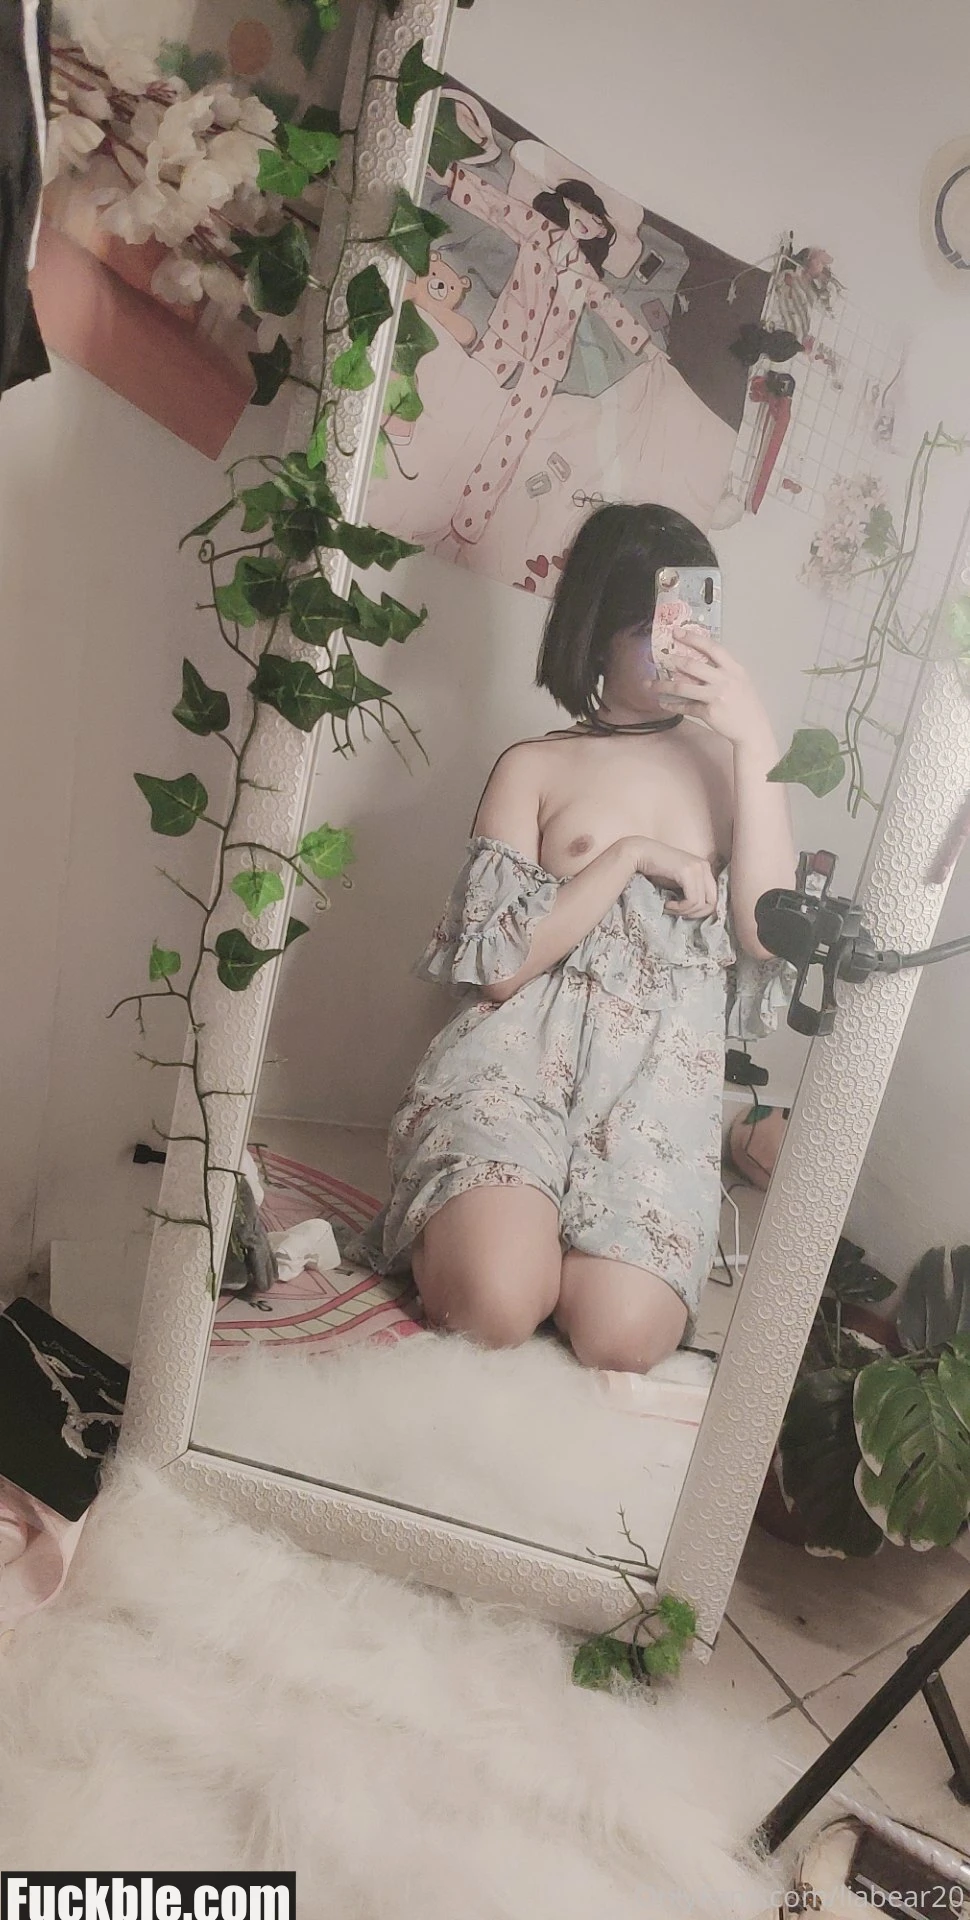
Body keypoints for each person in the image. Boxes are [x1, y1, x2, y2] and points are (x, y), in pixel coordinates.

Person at [355, 503, 796, 1374]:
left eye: (692, 623)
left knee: (619, 1339)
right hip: (513, 1071)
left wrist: (755, 738)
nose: (677, 648)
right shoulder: (535, 765)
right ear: (598, 633)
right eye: (649, 629)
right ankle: (494, 1216)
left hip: (653, 1094)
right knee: (495, 1308)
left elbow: (765, 936)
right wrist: (628, 856)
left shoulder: (730, 766)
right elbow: (498, 973)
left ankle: (554, 1232)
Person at [439, 165, 657, 549]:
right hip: (509, 331)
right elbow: (498, 207)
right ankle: (436, 476)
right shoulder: (538, 229)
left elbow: (611, 308)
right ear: (567, 203)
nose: (590, 223)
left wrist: (644, 345)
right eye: (584, 211)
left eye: (599, 223)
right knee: (469, 397)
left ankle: (469, 519)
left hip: (548, 361)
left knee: (512, 438)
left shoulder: (587, 273)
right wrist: (455, 180)